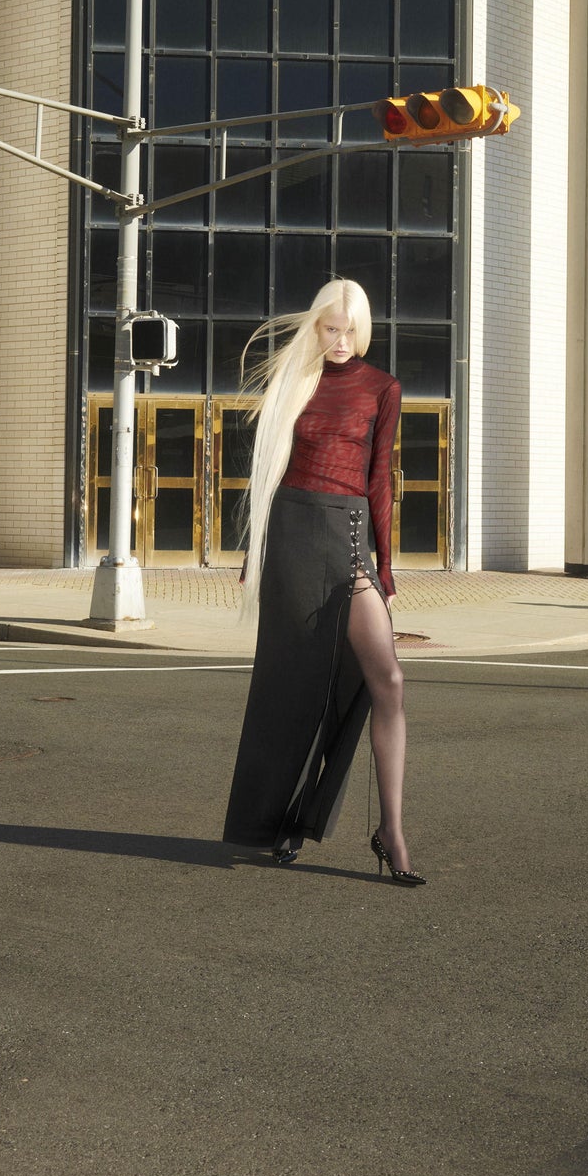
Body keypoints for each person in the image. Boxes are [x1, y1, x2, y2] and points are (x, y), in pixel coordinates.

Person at [222, 277, 424, 885]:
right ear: (316, 327)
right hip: (293, 534)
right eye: (329, 328)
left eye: (349, 329)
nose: (339, 341)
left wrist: (385, 569)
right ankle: (281, 819)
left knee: (386, 678)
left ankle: (389, 830)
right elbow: (269, 474)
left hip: (352, 535)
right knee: (294, 688)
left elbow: (381, 479)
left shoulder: (381, 388)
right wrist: (255, 554)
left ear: (363, 328)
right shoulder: (295, 382)